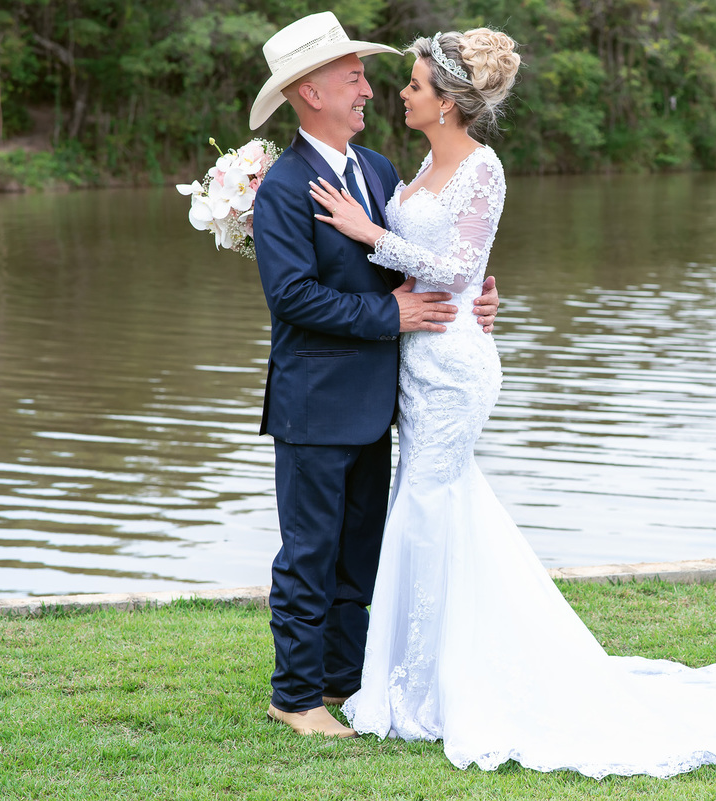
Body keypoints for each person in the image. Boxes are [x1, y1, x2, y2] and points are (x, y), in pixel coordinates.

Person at [306, 27, 716, 778]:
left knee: (427, 502)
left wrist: (370, 233)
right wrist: (425, 269)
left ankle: (428, 687)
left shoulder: (483, 168)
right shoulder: (422, 164)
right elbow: (449, 267)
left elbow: (458, 268)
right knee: (429, 507)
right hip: (417, 358)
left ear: (448, 102)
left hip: (453, 366)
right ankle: (419, 673)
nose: (402, 92)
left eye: (415, 84)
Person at [247, 12, 500, 738]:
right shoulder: (283, 187)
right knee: (310, 552)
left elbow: (414, 260)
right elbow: (292, 297)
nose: (368, 89)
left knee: (359, 554)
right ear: (310, 92)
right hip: (315, 402)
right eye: (353, 76)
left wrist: (474, 294)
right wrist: (391, 315)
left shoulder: (382, 170)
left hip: (384, 399)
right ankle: (296, 696)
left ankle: (344, 680)